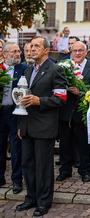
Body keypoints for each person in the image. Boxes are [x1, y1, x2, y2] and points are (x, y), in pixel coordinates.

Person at [16, 36, 67, 216]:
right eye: (31, 46)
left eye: (37, 46)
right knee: (27, 164)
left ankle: (44, 202)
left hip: (45, 127)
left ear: (46, 50)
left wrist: (40, 101)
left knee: (43, 166)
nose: (32, 49)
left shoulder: (55, 69)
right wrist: (21, 126)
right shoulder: (29, 70)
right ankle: (30, 198)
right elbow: (22, 101)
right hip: (27, 126)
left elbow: (61, 98)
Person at [56, 41, 90, 183]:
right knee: (65, 144)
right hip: (65, 112)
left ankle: (85, 171)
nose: (77, 53)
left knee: (84, 145)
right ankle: (65, 170)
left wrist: (80, 91)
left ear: (86, 52)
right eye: (74, 50)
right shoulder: (63, 66)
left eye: (81, 50)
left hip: (83, 113)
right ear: (70, 52)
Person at [0, 42, 27, 194]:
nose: (18, 54)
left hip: (16, 113)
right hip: (1, 113)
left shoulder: (24, 69)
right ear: (4, 55)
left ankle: (17, 180)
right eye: (13, 51)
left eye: (18, 51)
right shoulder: (0, 68)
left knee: (16, 148)